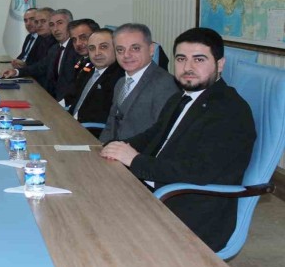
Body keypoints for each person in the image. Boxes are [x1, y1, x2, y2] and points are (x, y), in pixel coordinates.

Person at [101, 28, 255, 252]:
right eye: (181, 59)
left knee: (98, 227)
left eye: (199, 59)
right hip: (158, 190)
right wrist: (117, 147)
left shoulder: (230, 111)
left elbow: (199, 171)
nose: (188, 67)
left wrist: (135, 160)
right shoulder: (181, 97)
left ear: (220, 64)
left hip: (192, 211)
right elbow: (153, 134)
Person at [99, 23, 178, 143]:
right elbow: (111, 123)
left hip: (138, 152)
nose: (126, 55)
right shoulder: (121, 82)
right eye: (120, 50)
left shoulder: (165, 84)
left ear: (151, 49)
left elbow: (162, 134)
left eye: (135, 48)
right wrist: (101, 146)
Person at [2, 9, 80, 101]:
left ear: (71, 25)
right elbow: (40, 67)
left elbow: (75, 84)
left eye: (60, 23)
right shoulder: (55, 49)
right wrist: (16, 72)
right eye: (52, 25)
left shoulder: (77, 49)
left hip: (66, 102)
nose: (55, 29)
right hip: (51, 98)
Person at [64, 29, 124, 137]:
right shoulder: (88, 69)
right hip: (70, 125)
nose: (97, 53)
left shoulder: (120, 78)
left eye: (103, 47)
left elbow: (110, 121)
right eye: (92, 48)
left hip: (89, 134)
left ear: (116, 49)